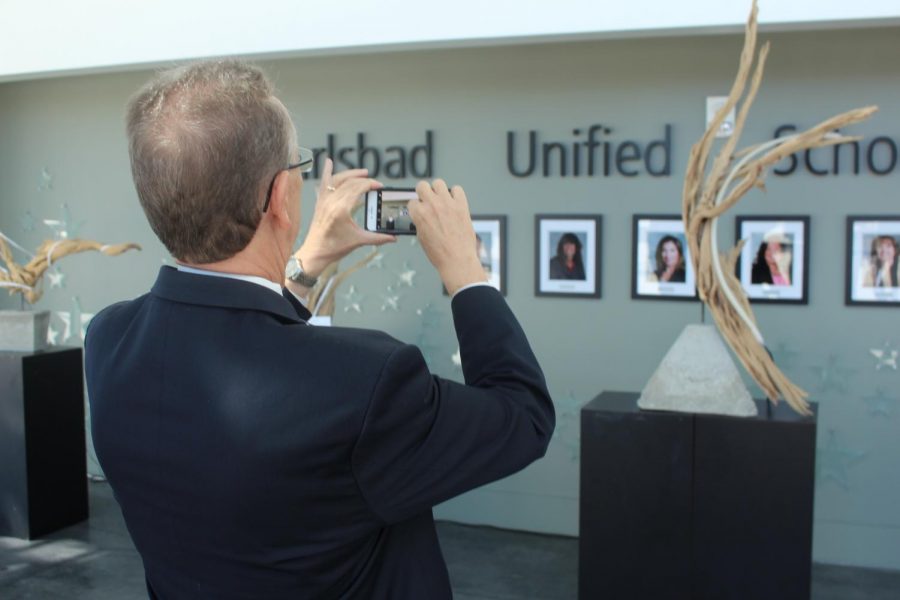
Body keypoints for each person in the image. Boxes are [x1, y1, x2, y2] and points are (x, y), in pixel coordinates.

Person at [84, 61, 554, 600]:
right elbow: (523, 417)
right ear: (281, 196)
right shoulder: (365, 382)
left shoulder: (109, 341)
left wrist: (305, 262)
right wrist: (466, 274)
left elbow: (236, 329)